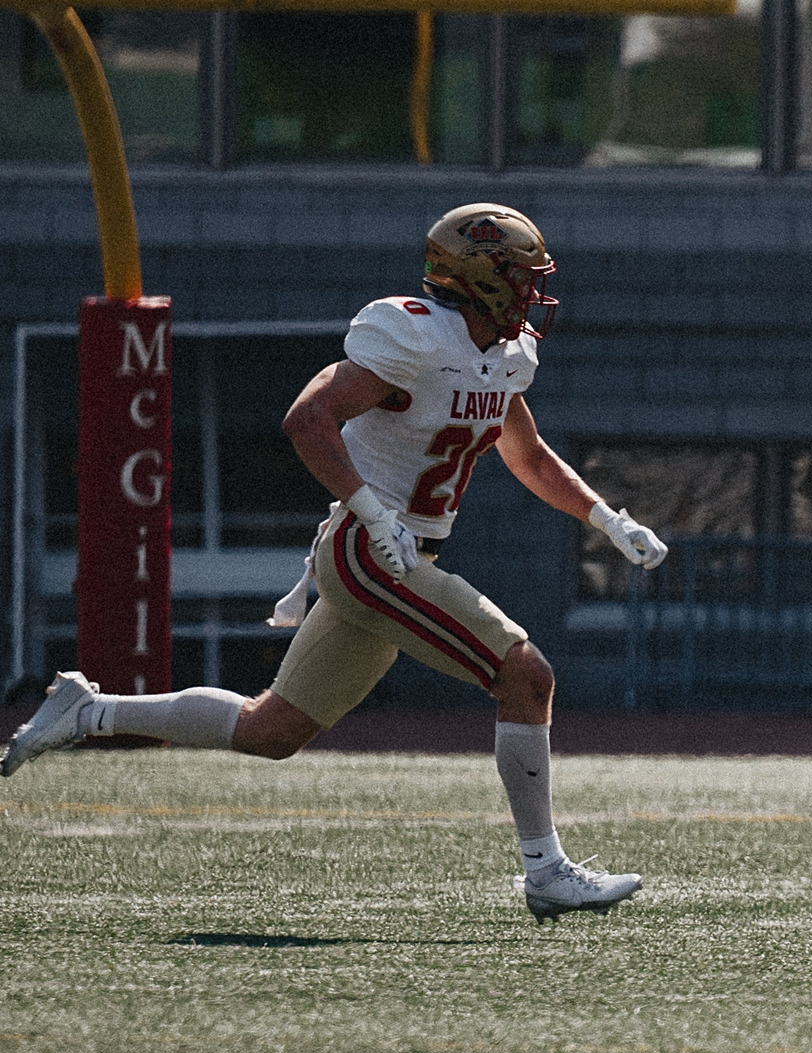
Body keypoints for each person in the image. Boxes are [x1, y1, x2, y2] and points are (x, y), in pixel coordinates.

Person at [3, 203, 669, 924]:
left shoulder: (505, 356)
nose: (532, 292)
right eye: (519, 276)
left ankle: (86, 711)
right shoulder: (411, 334)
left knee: (272, 731)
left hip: (392, 551)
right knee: (524, 673)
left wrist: (608, 517)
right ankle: (547, 873)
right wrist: (376, 517)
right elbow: (307, 419)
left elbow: (527, 456)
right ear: (480, 277)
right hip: (370, 551)